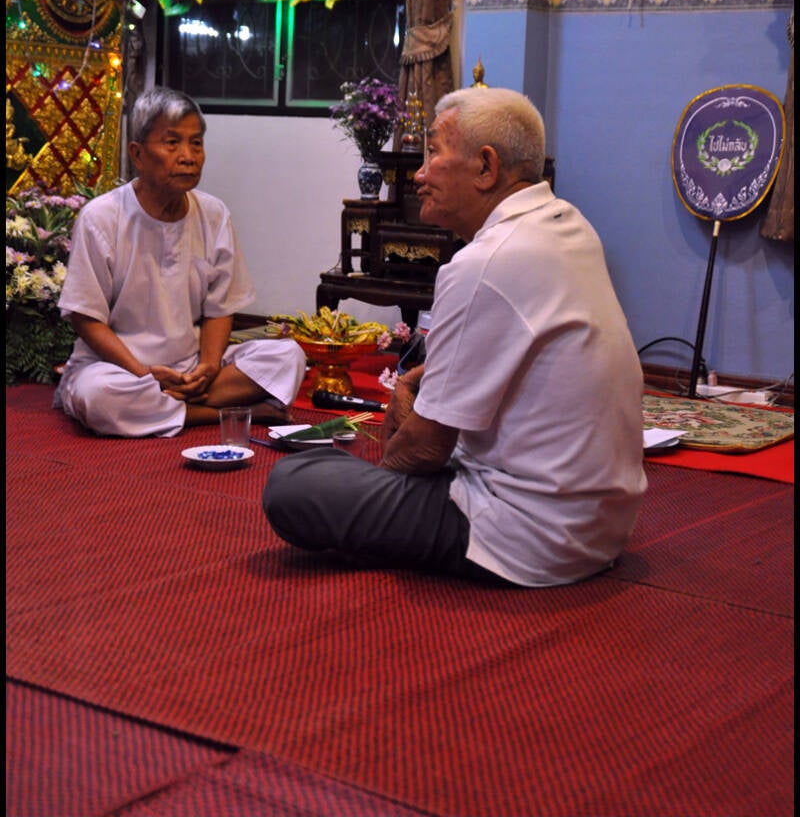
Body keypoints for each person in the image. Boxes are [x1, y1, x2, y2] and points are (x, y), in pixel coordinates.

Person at [263, 87, 647, 587]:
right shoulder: (569, 227)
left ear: (486, 167)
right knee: (337, 467)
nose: (418, 175)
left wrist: (398, 422)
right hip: (601, 529)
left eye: (433, 153)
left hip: (525, 535)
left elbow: (419, 453)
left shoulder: (485, 263)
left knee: (294, 484)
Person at [54, 87, 306, 438]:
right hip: (119, 369)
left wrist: (209, 365)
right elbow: (86, 317)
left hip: (191, 367)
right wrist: (143, 373)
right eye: (172, 143)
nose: (188, 156)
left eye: (196, 143)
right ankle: (221, 412)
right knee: (97, 397)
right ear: (138, 154)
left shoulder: (213, 214)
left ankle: (171, 404)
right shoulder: (101, 217)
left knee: (289, 356)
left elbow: (220, 307)